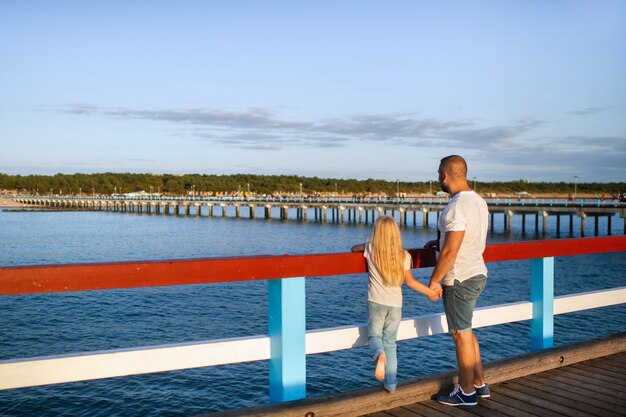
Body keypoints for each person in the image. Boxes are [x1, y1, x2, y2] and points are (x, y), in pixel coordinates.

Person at [424, 155, 490, 406]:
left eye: (438, 172)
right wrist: (439, 243)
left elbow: (451, 252)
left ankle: (466, 392)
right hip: (476, 272)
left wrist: (434, 280)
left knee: (460, 335)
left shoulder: (455, 207)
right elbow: (459, 241)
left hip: (459, 278)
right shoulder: (479, 202)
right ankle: (479, 384)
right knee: (467, 331)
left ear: (445, 175)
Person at [352, 215, 441, 393]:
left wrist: (367, 243)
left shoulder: (371, 249)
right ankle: (391, 385)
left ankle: (379, 355)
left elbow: (354, 248)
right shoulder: (404, 256)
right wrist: (431, 292)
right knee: (390, 343)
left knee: (375, 337)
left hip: (376, 302)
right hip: (395, 305)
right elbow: (411, 282)